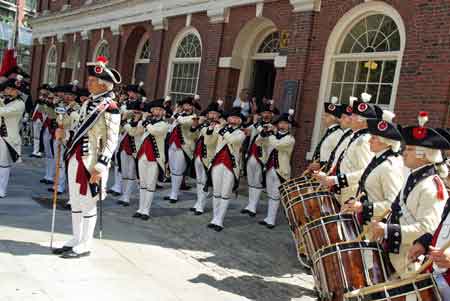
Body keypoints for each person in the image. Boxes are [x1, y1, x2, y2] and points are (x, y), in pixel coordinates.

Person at [52, 56, 121, 259]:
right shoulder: (88, 103)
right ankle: (75, 238)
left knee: (88, 201)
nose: (87, 83)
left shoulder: (110, 107)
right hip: (75, 156)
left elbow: (111, 140)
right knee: (75, 200)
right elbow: (78, 129)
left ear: (102, 84)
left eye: (91, 81)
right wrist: (63, 134)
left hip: (92, 161)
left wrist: (101, 165)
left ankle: (86, 243)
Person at [369, 111, 449, 276]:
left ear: (424, 155)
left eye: (410, 149)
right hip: (396, 254)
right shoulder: (413, 177)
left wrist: (387, 230)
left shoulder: (432, 187)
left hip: (410, 260)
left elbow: (428, 228)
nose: (404, 152)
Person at [341, 110, 404, 226]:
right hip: (364, 222)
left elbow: (393, 203)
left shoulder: (389, 166)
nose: (369, 140)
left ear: (386, 142)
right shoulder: (378, 160)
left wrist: (363, 207)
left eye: (374, 138)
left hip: (374, 227)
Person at [315, 93, 376, 204]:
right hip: (342, 190)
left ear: (362, 120)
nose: (350, 118)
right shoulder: (356, 137)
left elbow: (365, 172)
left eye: (353, 115)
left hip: (351, 194)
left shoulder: (364, 141)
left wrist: (335, 180)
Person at [205, 107, 246, 231]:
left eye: (236, 118)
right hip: (217, 163)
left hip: (231, 166)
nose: (233, 119)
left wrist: (222, 129)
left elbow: (233, 140)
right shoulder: (221, 129)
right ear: (227, 118)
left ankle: (220, 220)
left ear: (239, 121)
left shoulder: (241, 133)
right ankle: (214, 218)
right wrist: (211, 128)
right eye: (231, 117)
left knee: (225, 193)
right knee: (216, 192)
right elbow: (209, 142)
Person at [255, 110, 296, 228]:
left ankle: (272, 220)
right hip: (269, 168)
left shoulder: (290, 139)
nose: (282, 125)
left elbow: (277, 144)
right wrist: (263, 133)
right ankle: (268, 217)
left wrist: (272, 133)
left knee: (276, 195)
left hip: (281, 171)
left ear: (289, 126)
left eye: (285, 123)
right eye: (281, 123)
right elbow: (258, 143)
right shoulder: (272, 135)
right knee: (270, 193)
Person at [132, 99, 168, 220]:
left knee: (150, 184)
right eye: (155, 109)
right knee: (142, 183)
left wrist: (146, 122)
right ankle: (140, 208)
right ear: (152, 111)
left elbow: (154, 131)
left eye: (159, 110)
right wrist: (138, 120)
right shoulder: (148, 122)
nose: (157, 111)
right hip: (142, 156)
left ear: (163, 112)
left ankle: (146, 210)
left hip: (154, 158)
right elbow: (135, 131)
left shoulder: (164, 124)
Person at [241, 102, 279, 217]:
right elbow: (246, 131)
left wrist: (255, 122)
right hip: (250, 155)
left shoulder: (273, 126)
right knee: (251, 181)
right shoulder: (257, 124)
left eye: (268, 113)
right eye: (264, 112)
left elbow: (263, 132)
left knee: (257, 181)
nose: (266, 115)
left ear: (272, 115)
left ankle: (253, 206)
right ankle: (250, 204)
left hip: (262, 157)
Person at [190, 101, 223, 215]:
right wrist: (195, 126)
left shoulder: (219, 126)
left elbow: (211, 141)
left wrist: (209, 127)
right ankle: (198, 202)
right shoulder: (204, 124)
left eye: (215, 113)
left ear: (218, 115)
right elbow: (194, 136)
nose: (212, 115)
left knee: (204, 182)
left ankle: (201, 205)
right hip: (198, 155)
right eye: (210, 113)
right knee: (199, 181)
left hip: (209, 156)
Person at [165, 97, 200, 203]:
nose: (184, 107)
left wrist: (176, 114)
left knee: (178, 171)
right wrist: (174, 116)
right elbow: (171, 125)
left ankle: (175, 194)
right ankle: (172, 192)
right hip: (172, 144)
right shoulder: (180, 116)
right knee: (172, 170)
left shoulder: (194, 117)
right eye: (183, 105)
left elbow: (184, 122)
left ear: (191, 106)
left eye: (187, 105)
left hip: (184, 147)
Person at [0, 76, 26, 197]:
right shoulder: (5, 100)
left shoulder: (19, 104)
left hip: (8, 138)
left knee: (4, 164)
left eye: (11, 89)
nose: (7, 91)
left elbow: (3, 112)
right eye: (7, 88)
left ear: (17, 91)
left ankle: (2, 189)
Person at [116, 91, 142, 207]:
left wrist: (127, 123)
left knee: (131, 174)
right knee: (125, 172)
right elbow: (120, 130)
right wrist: (125, 120)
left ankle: (127, 196)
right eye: (134, 111)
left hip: (134, 150)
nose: (136, 113)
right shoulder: (129, 121)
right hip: (124, 148)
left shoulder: (142, 123)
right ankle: (124, 194)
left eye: (138, 112)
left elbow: (132, 132)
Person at [309, 96, 343, 171]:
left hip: (326, 172)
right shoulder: (330, 132)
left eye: (327, 116)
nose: (323, 118)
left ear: (334, 118)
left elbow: (336, 156)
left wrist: (320, 165)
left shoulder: (339, 134)